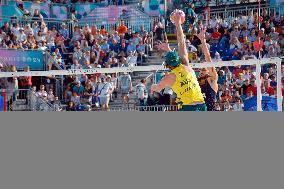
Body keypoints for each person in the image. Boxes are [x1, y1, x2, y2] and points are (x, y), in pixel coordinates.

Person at [151, 10, 206, 111]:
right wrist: (177, 24)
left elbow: (157, 88)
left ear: (168, 65)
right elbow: (181, 42)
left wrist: (152, 87)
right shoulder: (186, 66)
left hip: (188, 107)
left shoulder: (168, 77)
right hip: (201, 105)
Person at [197, 27, 218, 111]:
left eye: (203, 70)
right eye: (200, 70)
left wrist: (203, 41)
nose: (201, 71)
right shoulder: (197, 82)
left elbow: (208, 59)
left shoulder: (212, 79)